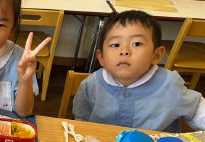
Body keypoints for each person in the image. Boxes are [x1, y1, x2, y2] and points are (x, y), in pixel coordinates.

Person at [73, 10, 205, 132]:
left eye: (136, 44)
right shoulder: (91, 84)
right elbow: (81, 122)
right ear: (101, 57)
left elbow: (197, 111)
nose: (124, 51)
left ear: (156, 55)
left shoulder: (169, 84)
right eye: (115, 45)